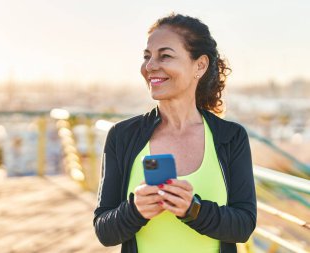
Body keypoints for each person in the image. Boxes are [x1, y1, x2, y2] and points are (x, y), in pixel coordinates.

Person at [93, 13, 256, 253]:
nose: (150, 66)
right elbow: (104, 232)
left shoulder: (231, 137)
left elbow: (243, 226)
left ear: (199, 65)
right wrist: (135, 210)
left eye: (165, 55)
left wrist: (194, 210)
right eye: (147, 56)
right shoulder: (122, 135)